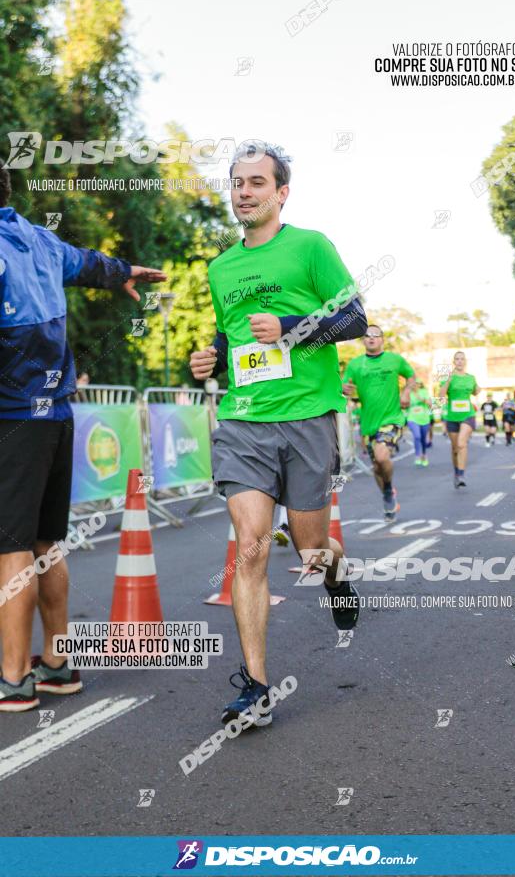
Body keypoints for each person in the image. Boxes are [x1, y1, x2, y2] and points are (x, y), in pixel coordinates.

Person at [189, 143, 366, 727]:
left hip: (307, 417)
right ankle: (257, 686)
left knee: (312, 548)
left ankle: (335, 573)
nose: (244, 191)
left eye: (257, 182)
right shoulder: (220, 267)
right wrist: (209, 359)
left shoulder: (311, 247)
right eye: (237, 182)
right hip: (243, 421)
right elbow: (230, 337)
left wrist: (291, 328)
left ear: (281, 192)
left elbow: (354, 318)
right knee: (251, 546)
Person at [0, 159, 166, 711]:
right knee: (47, 542)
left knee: (12, 547)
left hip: (12, 415)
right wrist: (123, 271)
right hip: (54, 412)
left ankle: (13, 676)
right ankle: (57, 664)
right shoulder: (40, 240)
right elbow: (89, 263)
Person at [342, 326, 416, 518]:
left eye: (375, 335)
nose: (371, 338)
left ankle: (389, 488)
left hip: (392, 419)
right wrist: (344, 389)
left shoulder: (395, 360)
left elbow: (411, 376)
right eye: (367, 335)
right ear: (363, 341)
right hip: (369, 424)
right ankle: (386, 494)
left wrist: (407, 392)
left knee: (383, 457)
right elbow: (344, 386)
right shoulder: (356, 364)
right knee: (376, 468)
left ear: (382, 339)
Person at [439, 351, 479, 488]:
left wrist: (478, 389)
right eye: (457, 359)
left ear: (465, 361)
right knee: (455, 448)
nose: (460, 361)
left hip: (468, 414)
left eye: (462, 359)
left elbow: (475, 391)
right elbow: (441, 396)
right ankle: (456, 473)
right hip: (452, 417)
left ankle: (461, 474)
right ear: (453, 362)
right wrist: (448, 380)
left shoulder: (471, 378)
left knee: (462, 443)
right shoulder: (447, 377)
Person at [406, 380, 432, 466]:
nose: (414, 386)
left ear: (419, 384)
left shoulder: (424, 392)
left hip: (424, 419)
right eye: (413, 384)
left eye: (416, 384)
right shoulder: (408, 393)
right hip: (412, 418)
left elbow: (430, 404)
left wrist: (419, 398)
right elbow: (404, 404)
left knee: (423, 439)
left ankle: (424, 455)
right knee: (417, 436)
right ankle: (417, 455)